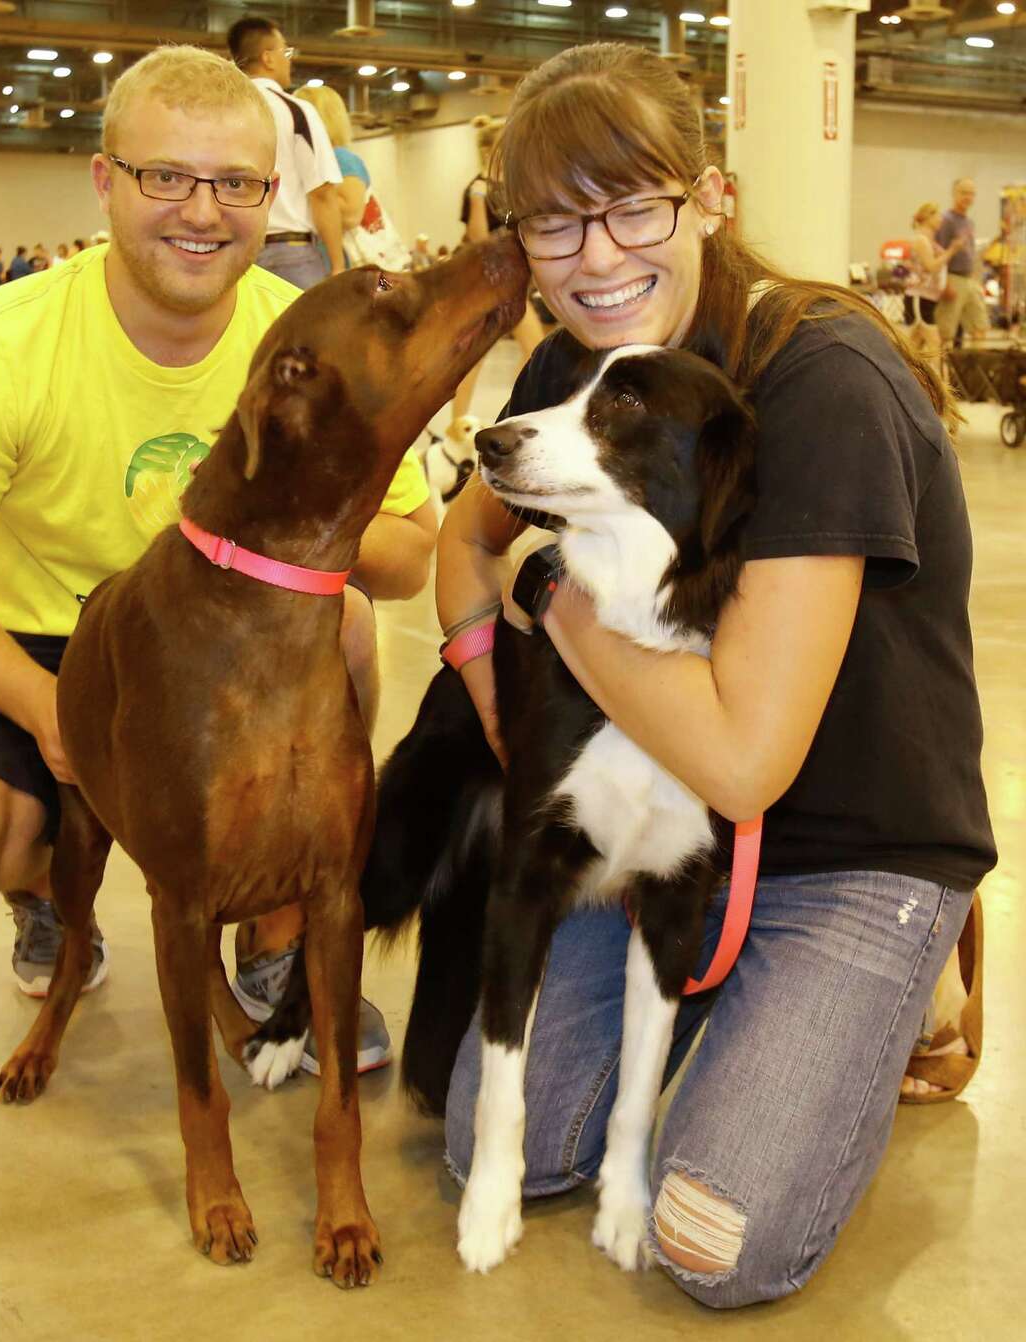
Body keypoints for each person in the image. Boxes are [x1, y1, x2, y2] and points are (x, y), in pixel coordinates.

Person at [436, 43, 994, 1307]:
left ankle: (915, 957)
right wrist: (483, 658)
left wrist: (550, 595)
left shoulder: (822, 384)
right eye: (554, 223)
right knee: (499, 1155)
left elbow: (746, 758)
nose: (597, 255)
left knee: (712, 1241)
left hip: (844, 839)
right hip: (653, 820)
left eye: (634, 206)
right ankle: (738, 1008)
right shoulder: (565, 370)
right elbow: (461, 548)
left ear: (713, 198)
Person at [0, 44, 433, 1074]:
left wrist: (310, 525)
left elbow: (406, 558)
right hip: (38, 637)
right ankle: (51, 899)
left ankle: (276, 925)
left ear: (274, 196)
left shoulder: (309, 343)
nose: (202, 213)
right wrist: (49, 710)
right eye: (165, 176)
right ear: (103, 181)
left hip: (239, 642)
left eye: (236, 184)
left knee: (344, 619)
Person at [227, 15, 345, 288]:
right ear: (268, 57)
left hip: (233, 252)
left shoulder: (218, 110)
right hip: (292, 255)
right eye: (286, 52)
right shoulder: (296, 110)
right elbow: (322, 193)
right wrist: (337, 264)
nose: (289, 59)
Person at [448, 115, 545, 435]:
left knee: (533, 348)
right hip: (484, 281)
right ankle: (457, 424)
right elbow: (477, 236)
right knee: (475, 358)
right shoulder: (477, 188)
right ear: (491, 149)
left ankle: (513, 412)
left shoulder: (513, 188)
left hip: (509, 281)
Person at [296, 82, 412, 272]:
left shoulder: (340, 159)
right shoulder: (329, 159)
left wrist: (302, 197)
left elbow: (351, 214)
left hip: (347, 267)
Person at [903, 201, 960, 378]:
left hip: (928, 298)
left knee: (913, 346)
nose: (941, 219)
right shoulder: (921, 240)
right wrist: (951, 251)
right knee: (935, 344)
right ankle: (942, 386)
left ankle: (907, 380)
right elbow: (930, 266)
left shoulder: (930, 241)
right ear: (927, 217)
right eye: (937, 215)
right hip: (919, 297)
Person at [934, 177, 988, 349]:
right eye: (964, 192)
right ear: (954, 194)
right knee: (946, 332)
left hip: (969, 280)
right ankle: (942, 372)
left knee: (980, 325)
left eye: (971, 194)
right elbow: (939, 252)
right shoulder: (946, 220)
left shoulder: (969, 222)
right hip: (952, 278)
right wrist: (945, 283)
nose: (968, 197)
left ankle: (973, 372)